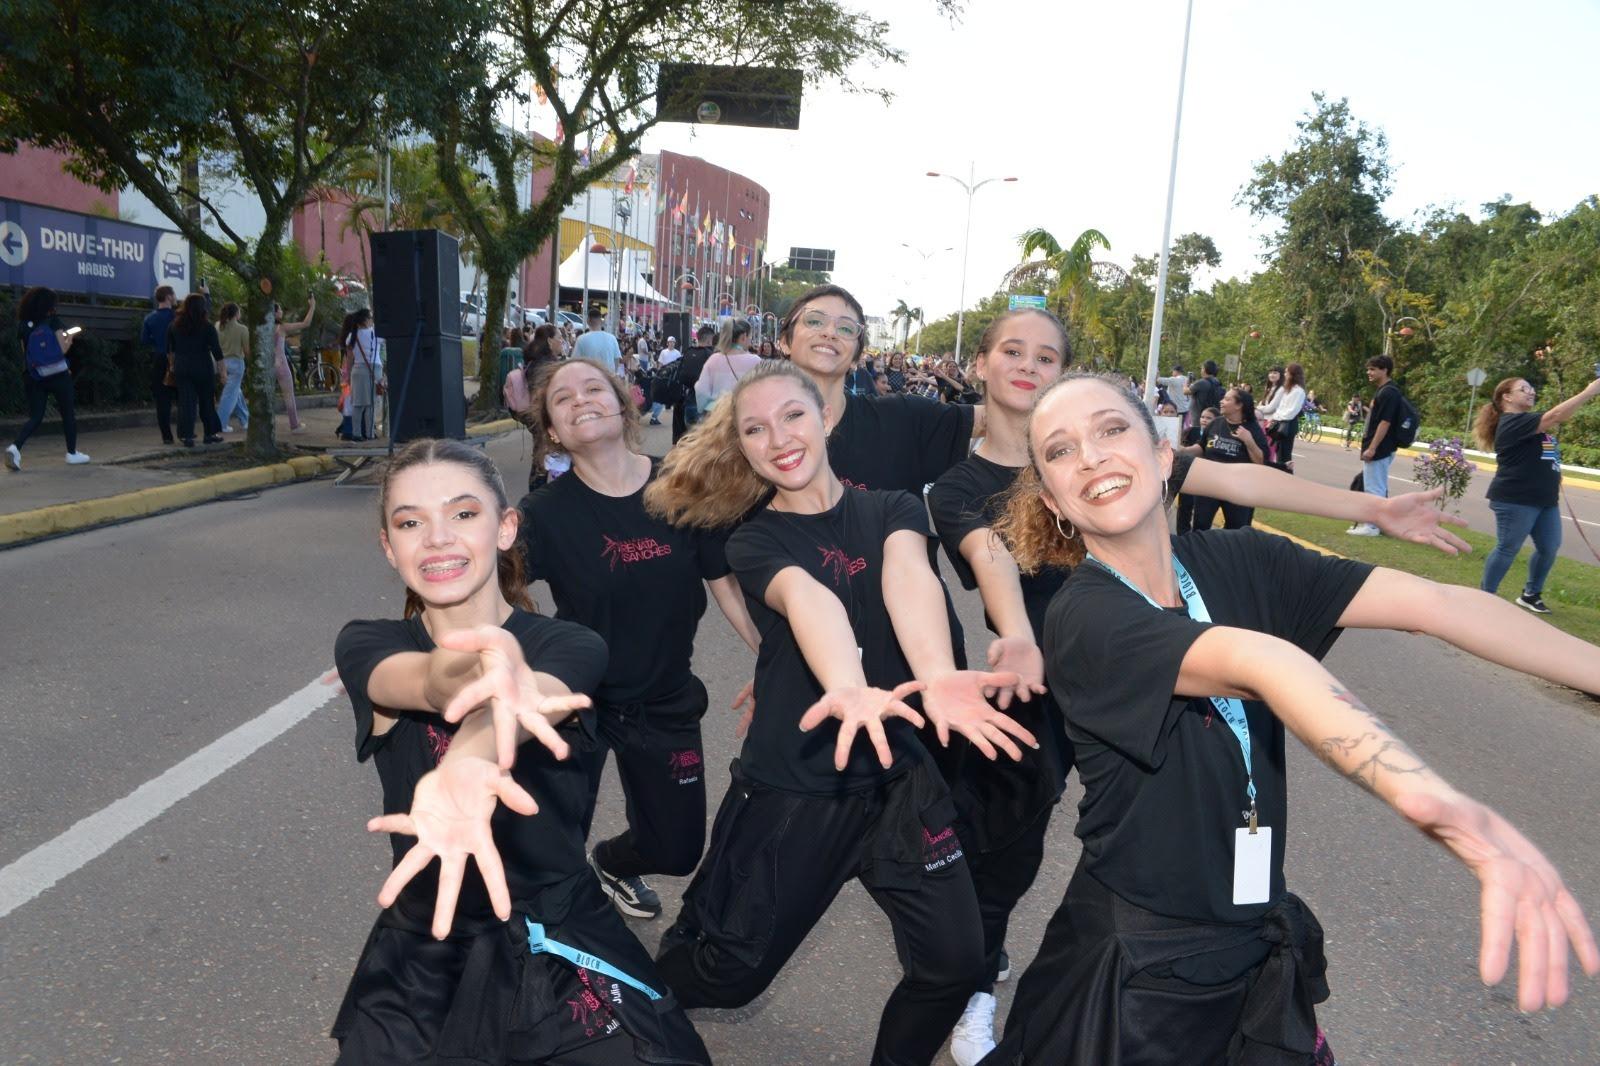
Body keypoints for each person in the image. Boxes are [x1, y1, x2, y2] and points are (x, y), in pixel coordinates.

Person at [982, 371, 1600, 1064]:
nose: (1090, 456)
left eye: (1111, 429)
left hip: (1254, 943)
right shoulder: (1085, 617)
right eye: (1061, 451)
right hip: (1139, 975)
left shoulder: (1241, 560)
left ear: (1163, 457)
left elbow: (1440, 606)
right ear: (1054, 501)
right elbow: (1266, 665)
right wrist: (1430, 797)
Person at [645, 360, 1035, 1066]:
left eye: (792, 416)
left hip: (900, 780)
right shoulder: (754, 539)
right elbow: (809, 600)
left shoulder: (892, 507)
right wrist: (849, 685)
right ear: (744, 450)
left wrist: (940, 677)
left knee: (954, 963)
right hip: (797, 785)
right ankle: (615, 1008)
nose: (779, 437)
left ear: (826, 418)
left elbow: (906, 578)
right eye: (755, 429)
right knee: (726, 975)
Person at [332, 438, 711, 1065]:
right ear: (388, 546)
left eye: (463, 514)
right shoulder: (368, 644)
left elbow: (527, 699)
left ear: (506, 528)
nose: (437, 538)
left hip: (558, 935)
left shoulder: (572, 644)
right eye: (409, 522)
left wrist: (471, 756)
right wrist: (472, 673)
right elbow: (425, 681)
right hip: (425, 950)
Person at [516, 358, 760, 921]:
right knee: (547, 848)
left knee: (675, 851)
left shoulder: (679, 488)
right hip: (580, 702)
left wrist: (773, 658)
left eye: (593, 388)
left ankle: (613, 863)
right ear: (551, 430)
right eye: (563, 398)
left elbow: (722, 581)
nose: (581, 400)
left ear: (623, 404)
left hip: (664, 697)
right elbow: (492, 592)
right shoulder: (543, 515)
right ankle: (559, 944)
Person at [926, 309, 1070, 1064]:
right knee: (1004, 850)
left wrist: (1372, 507)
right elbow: (991, 557)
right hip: (1021, 687)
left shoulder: (1081, 457)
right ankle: (975, 987)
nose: (1027, 364)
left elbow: (1212, 476)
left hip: (1117, 678)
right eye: (1011, 350)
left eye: (1046, 356)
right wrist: (1016, 633)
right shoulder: (957, 488)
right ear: (979, 364)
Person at [1474, 372, 1600, 613]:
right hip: (1516, 498)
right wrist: (1589, 391)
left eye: (1531, 387)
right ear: (1507, 397)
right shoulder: (1512, 422)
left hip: (1544, 500)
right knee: (1507, 547)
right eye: (1524, 389)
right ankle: (1485, 596)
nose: (1531, 391)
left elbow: (1561, 418)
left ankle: (1530, 594)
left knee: (1549, 547)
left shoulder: (1529, 422)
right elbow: (1555, 415)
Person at [7, 285, 89, 470]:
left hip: (34, 375)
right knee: (67, 413)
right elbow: (61, 349)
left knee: (36, 416)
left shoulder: (24, 324)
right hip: (58, 374)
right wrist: (69, 339)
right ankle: (72, 453)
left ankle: (15, 447)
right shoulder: (52, 321)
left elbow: (26, 351)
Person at [1185, 386, 1270, 530]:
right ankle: (1199, 552)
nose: (1221, 401)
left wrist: (1249, 440)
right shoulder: (1216, 423)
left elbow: (1261, 462)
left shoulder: (1252, 429)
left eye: (1227, 399)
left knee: (1235, 529)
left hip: (1238, 488)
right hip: (1209, 484)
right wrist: (1183, 451)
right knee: (1200, 526)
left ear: (1239, 405)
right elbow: (1202, 447)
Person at [166, 293, 224, 447]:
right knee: (207, 401)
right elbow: (217, 351)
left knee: (186, 402)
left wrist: (172, 365)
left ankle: (187, 436)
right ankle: (210, 434)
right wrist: (223, 372)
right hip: (203, 367)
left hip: (182, 367)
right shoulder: (207, 327)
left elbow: (170, 349)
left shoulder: (174, 326)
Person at [692, 317, 760, 415]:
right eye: (750, 337)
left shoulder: (713, 359)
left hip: (718, 415)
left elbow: (701, 390)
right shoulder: (755, 361)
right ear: (744, 336)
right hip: (746, 415)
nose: (750, 340)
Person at [139, 285, 179, 444]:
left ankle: (167, 436)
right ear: (169, 296)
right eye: (174, 294)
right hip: (177, 358)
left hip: (159, 358)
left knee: (162, 400)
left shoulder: (149, 318)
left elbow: (144, 340)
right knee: (184, 395)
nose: (175, 297)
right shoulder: (176, 317)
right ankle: (185, 432)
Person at [272, 296, 316, 434]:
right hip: (280, 364)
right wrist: (312, 306)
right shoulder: (281, 327)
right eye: (279, 310)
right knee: (288, 395)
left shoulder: (261, 328)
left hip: (266, 364)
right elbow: (306, 323)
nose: (281, 312)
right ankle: (294, 424)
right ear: (275, 313)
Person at [1173, 407, 1217, 534]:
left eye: (1209, 418)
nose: (1204, 420)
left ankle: (1198, 537)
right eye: (1202, 417)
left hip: (1206, 477)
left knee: (1201, 512)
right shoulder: (1192, 431)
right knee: (1185, 506)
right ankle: (1182, 534)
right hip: (1189, 474)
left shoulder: (1217, 436)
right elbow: (1183, 448)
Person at [669, 324, 716, 444]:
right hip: (705, 406)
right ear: (710, 340)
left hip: (688, 403)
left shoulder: (688, 352)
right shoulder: (712, 355)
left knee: (690, 442)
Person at [1259, 362, 1308, 471]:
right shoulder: (1288, 389)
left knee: (1285, 454)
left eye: (1287, 372)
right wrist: (1276, 418)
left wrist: (1277, 417)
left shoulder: (1299, 391)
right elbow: (1281, 407)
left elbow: (1292, 411)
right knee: (1278, 452)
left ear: (1293, 374)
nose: (1285, 374)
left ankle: (1286, 476)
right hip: (1279, 422)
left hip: (1288, 424)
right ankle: (1280, 474)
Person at [215, 302, 250, 433]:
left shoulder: (218, 326)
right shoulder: (242, 329)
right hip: (236, 363)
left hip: (221, 363)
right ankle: (220, 423)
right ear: (236, 314)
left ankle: (245, 419)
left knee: (236, 392)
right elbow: (247, 350)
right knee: (229, 395)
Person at [573, 313, 623, 377]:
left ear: (588, 321)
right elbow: (616, 360)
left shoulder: (581, 339)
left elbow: (575, 361)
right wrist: (613, 374)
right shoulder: (612, 338)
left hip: (589, 378)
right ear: (601, 322)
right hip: (608, 379)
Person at [648, 335, 680, 424]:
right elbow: (660, 364)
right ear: (667, 343)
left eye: (673, 342)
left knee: (665, 396)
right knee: (661, 397)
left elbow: (679, 365)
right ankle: (653, 415)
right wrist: (658, 374)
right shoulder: (663, 352)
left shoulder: (677, 353)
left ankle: (655, 414)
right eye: (670, 342)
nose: (672, 344)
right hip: (663, 377)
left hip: (672, 377)